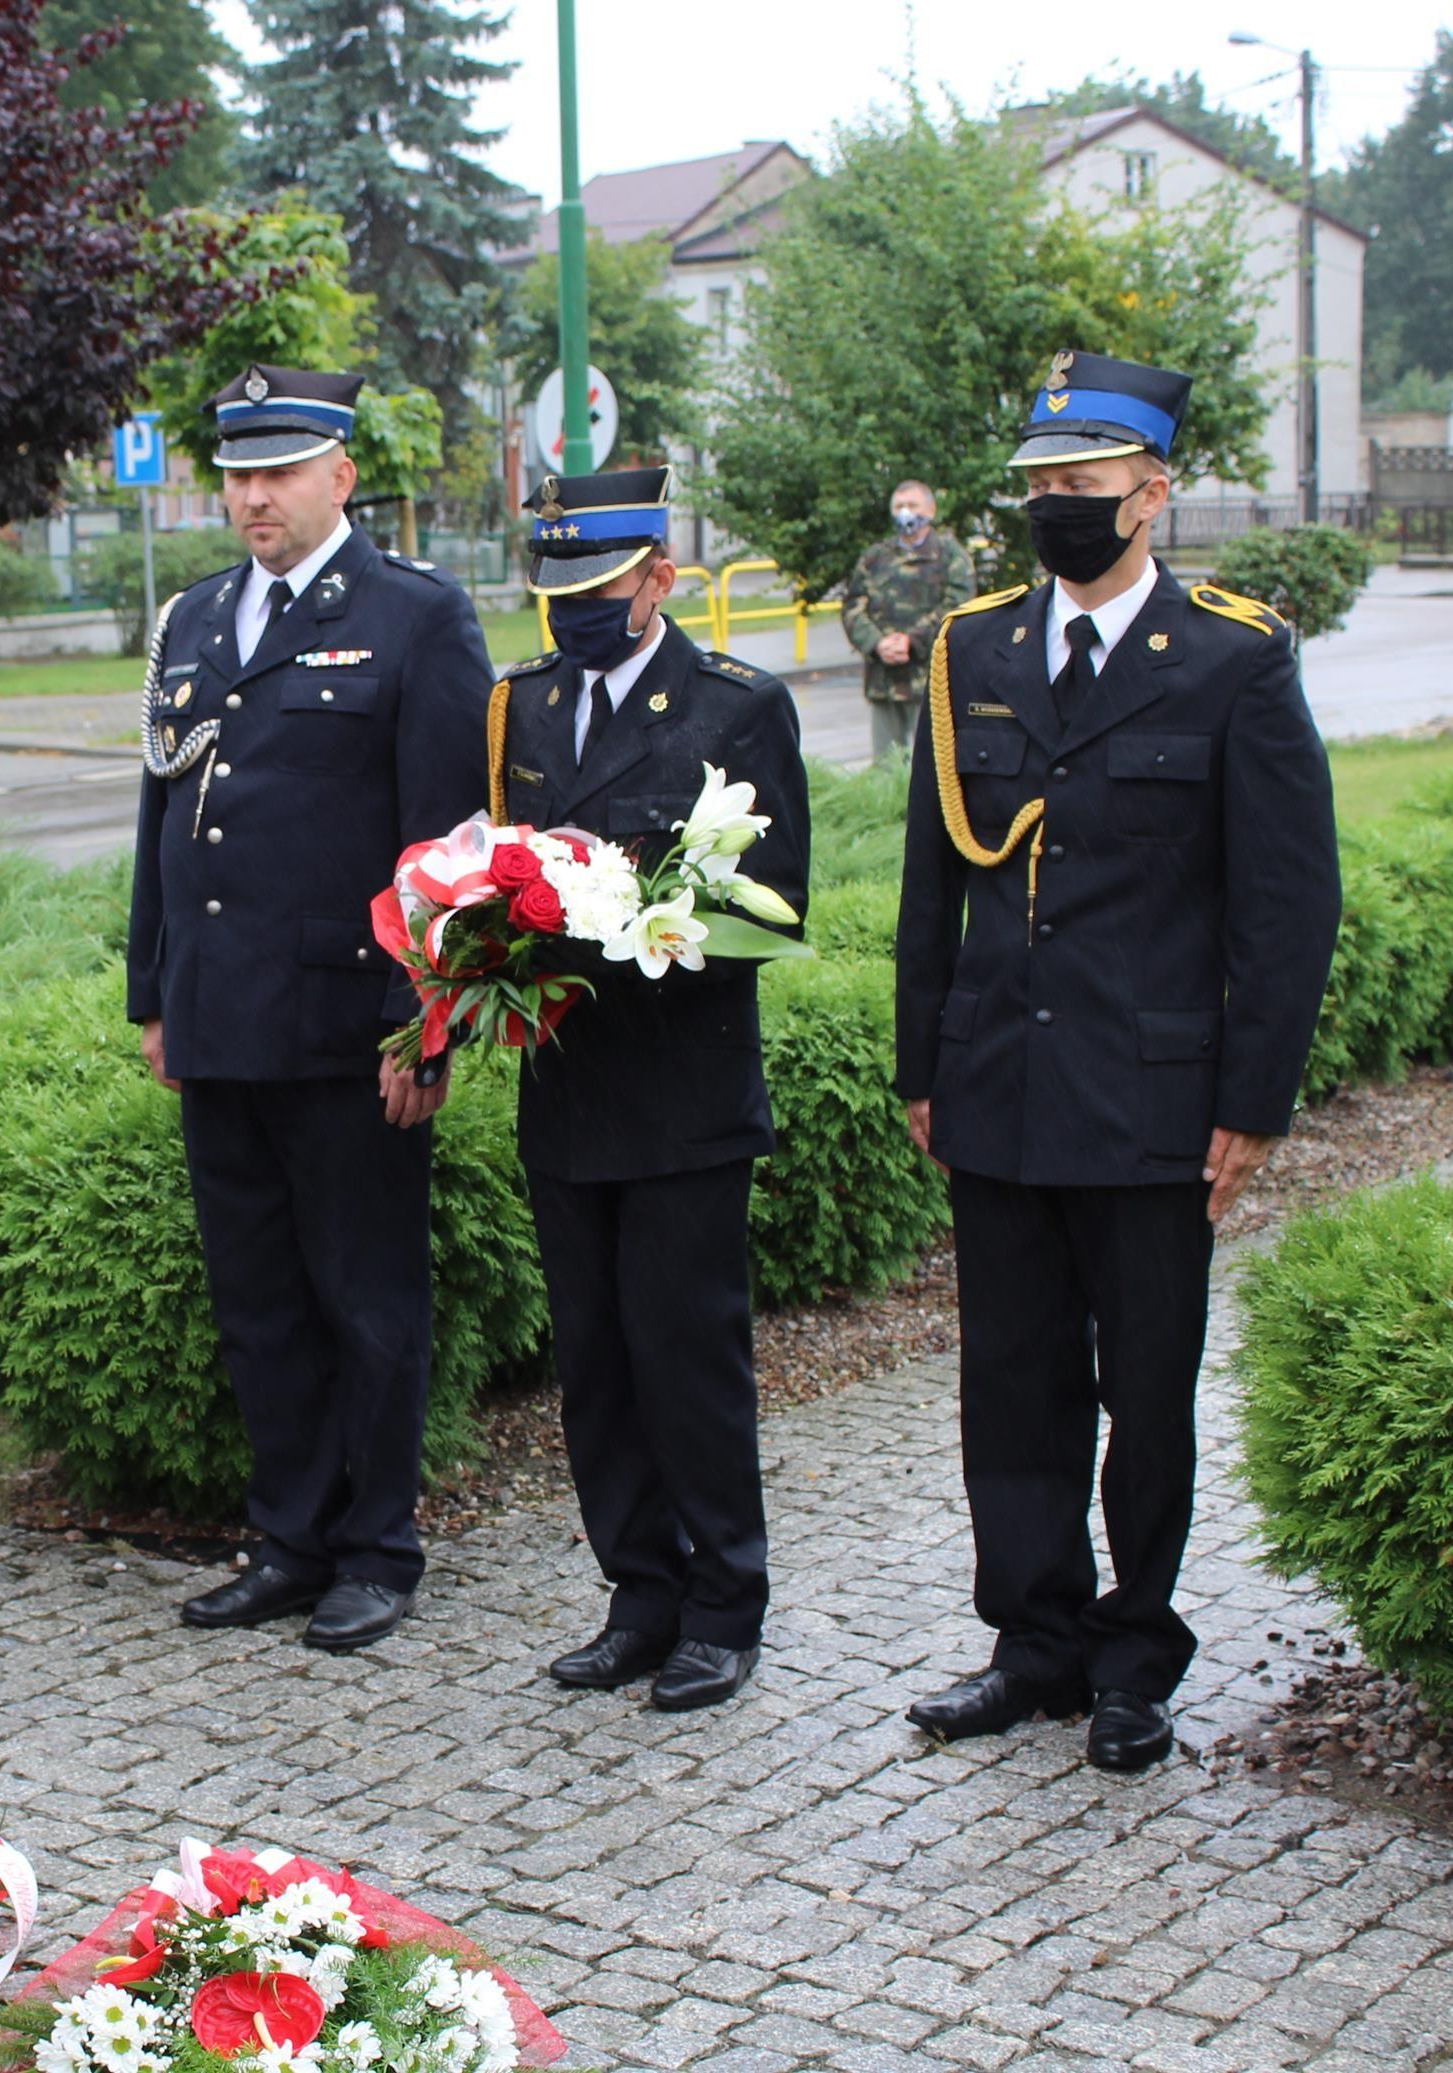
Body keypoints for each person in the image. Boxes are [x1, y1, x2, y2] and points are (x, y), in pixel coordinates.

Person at [892, 350, 1339, 1772]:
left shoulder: (1230, 655)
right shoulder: (975, 650)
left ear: (1151, 493)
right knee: (1011, 1387)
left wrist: (1250, 1102)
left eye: (1079, 485)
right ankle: (1033, 1642)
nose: (1053, 509)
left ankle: (1135, 1650)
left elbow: (1283, 903)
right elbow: (926, 884)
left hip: (1151, 1103)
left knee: (1143, 1391)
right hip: (999, 1090)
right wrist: (922, 1061)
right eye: (1036, 487)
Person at [126, 362, 493, 1652]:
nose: (250, 496)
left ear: (341, 473)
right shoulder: (193, 619)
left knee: (367, 1297)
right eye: (235, 473)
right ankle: (287, 1540)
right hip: (221, 1019)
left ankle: (376, 1549)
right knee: (259, 1302)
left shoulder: (412, 618)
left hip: (349, 1027)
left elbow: (444, 842)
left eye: (277, 470)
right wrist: (152, 994)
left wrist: (425, 1015)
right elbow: (160, 819)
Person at [485, 466, 810, 1713]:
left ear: (657, 580)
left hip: (681, 1092)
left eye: (597, 586)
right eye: (553, 588)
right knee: (598, 1363)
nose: (570, 610)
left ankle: (724, 1604)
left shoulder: (733, 706)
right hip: (565, 1089)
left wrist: (635, 925)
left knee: (687, 1359)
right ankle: (638, 1591)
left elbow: (774, 906)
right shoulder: (518, 705)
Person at [839, 479, 976, 768]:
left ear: (931, 509)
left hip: (931, 680)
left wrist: (911, 641)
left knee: (934, 768)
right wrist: (878, 643)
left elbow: (959, 608)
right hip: (883, 679)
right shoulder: (875, 557)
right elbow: (853, 605)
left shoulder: (951, 556)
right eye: (899, 506)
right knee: (886, 769)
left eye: (912, 505)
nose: (905, 512)